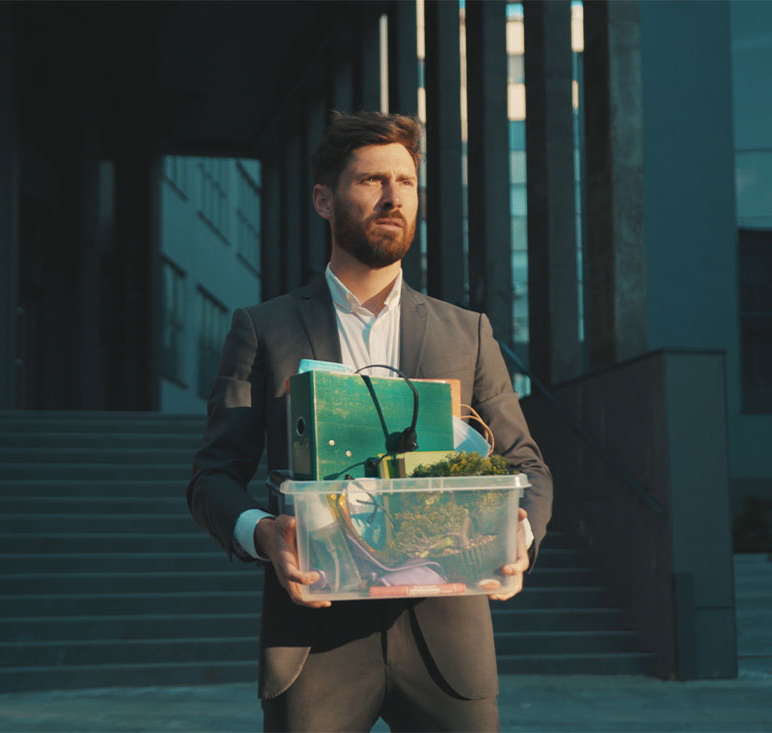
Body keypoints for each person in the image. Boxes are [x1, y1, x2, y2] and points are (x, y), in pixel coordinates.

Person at [188, 110, 553, 732]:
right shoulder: (264, 329)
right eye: (372, 181)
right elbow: (212, 478)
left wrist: (519, 537)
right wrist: (265, 534)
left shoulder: (467, 332)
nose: (393, 197)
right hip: (314, 642)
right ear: (323, 200)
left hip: (449, 644)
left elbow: (526, 466)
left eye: (406, 182)